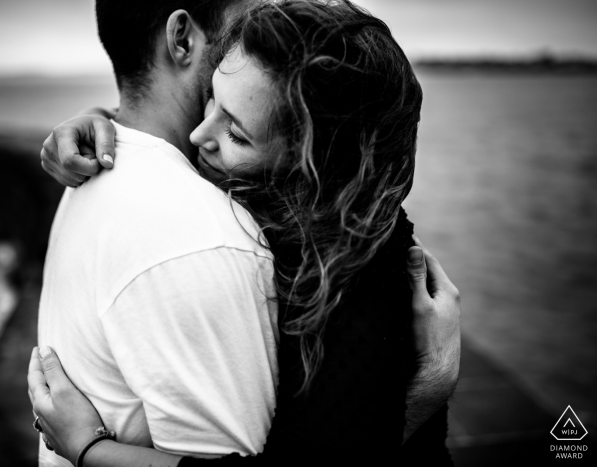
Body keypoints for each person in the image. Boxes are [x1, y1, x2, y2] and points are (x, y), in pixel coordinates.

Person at [29, 1, 462, 466]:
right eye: (213, 96)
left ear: (309, 164)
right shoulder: (262, 206)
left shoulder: (356, 288)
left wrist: (88, 448)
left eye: (236, 133)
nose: (198, 135)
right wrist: (106, 121)